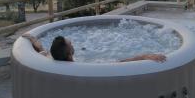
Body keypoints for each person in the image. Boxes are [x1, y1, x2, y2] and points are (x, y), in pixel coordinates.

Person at [22, 34, 166, 63]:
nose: (72, 43)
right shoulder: (82, 68)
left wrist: (33, 40)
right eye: (71, 44)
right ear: (69, 55)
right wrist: (145, 56)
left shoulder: (48, 57)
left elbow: (41, 49)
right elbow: (118, 63)